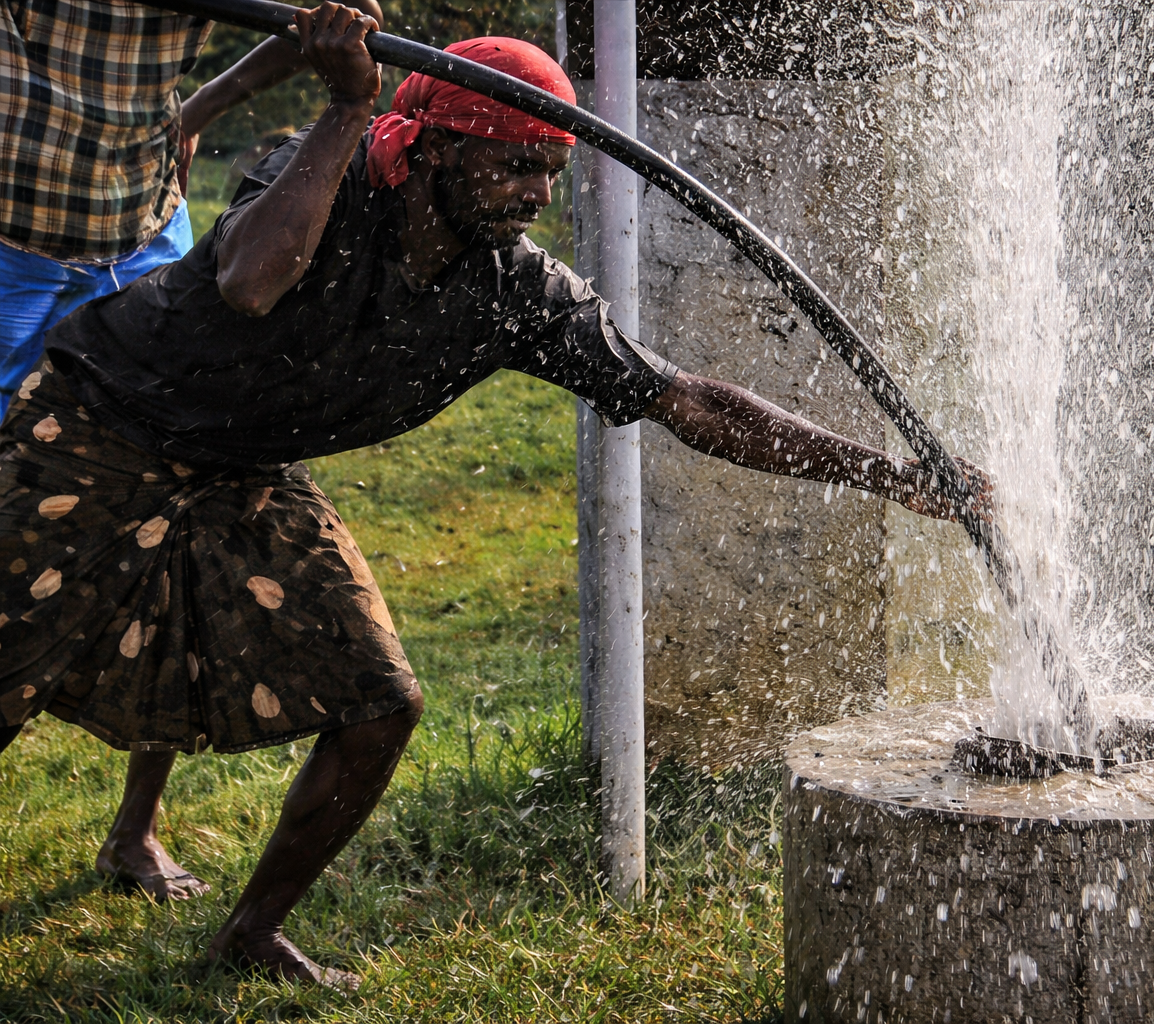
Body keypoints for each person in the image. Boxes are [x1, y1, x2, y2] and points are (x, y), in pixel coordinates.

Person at [0, 5, 992, 987]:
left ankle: (249, 934)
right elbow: (253, 282)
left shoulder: (516, 296)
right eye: (515, 165)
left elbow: (686, 399)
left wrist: (895, 476)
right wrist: (345, 108)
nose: (536, 193)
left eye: (551, 171)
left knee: (380, 705)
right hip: (97, 426)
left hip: (242, 473)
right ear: (436, 148)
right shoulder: (322, 175)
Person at [0, 0, 387, 904]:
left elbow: (343, 17)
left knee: (186, 507)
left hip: (143, 239)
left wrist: (201, 107)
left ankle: (136, 829)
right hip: (10, 251)